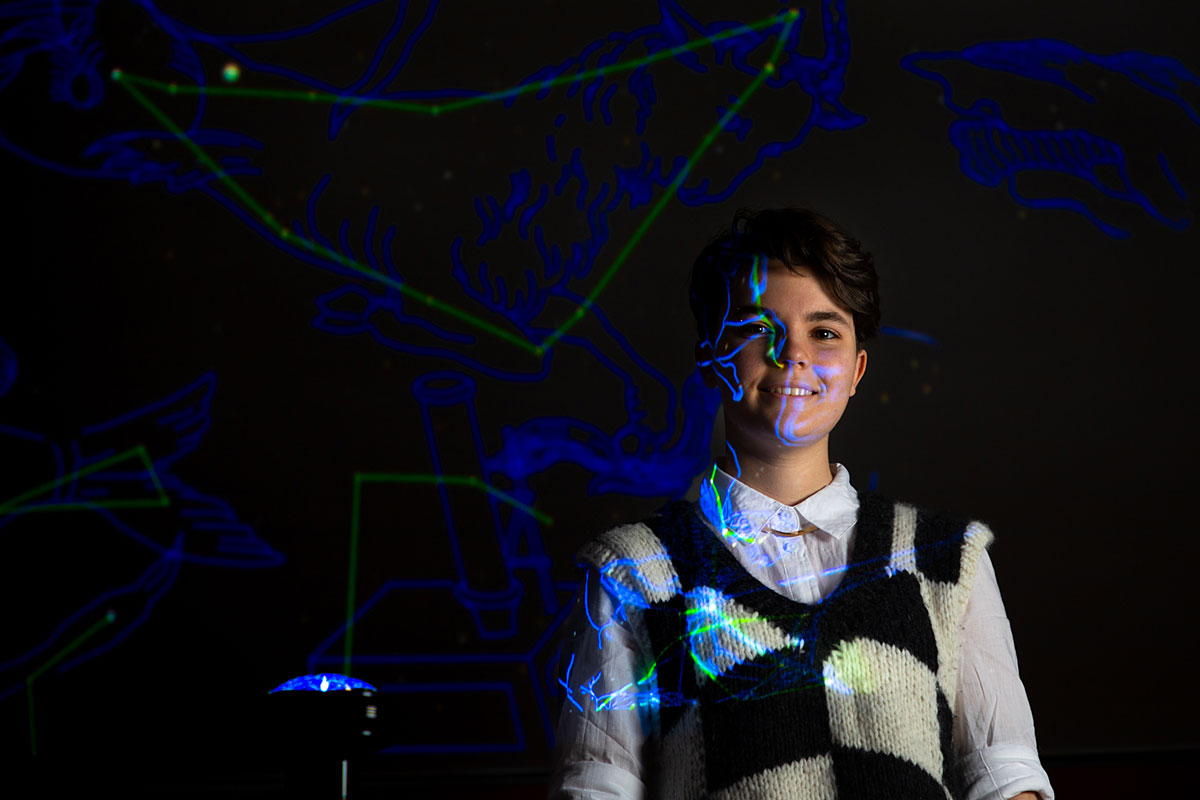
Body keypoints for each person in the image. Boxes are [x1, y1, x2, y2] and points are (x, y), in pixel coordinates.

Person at [548, 208, 1054, 800]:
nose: (793, 355)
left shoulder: (947, 559)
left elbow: (1005, 774)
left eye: (825, 332)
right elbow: (596, 787)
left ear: (856, 369)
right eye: (758, 328)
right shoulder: (632, 572)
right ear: (710, 357)